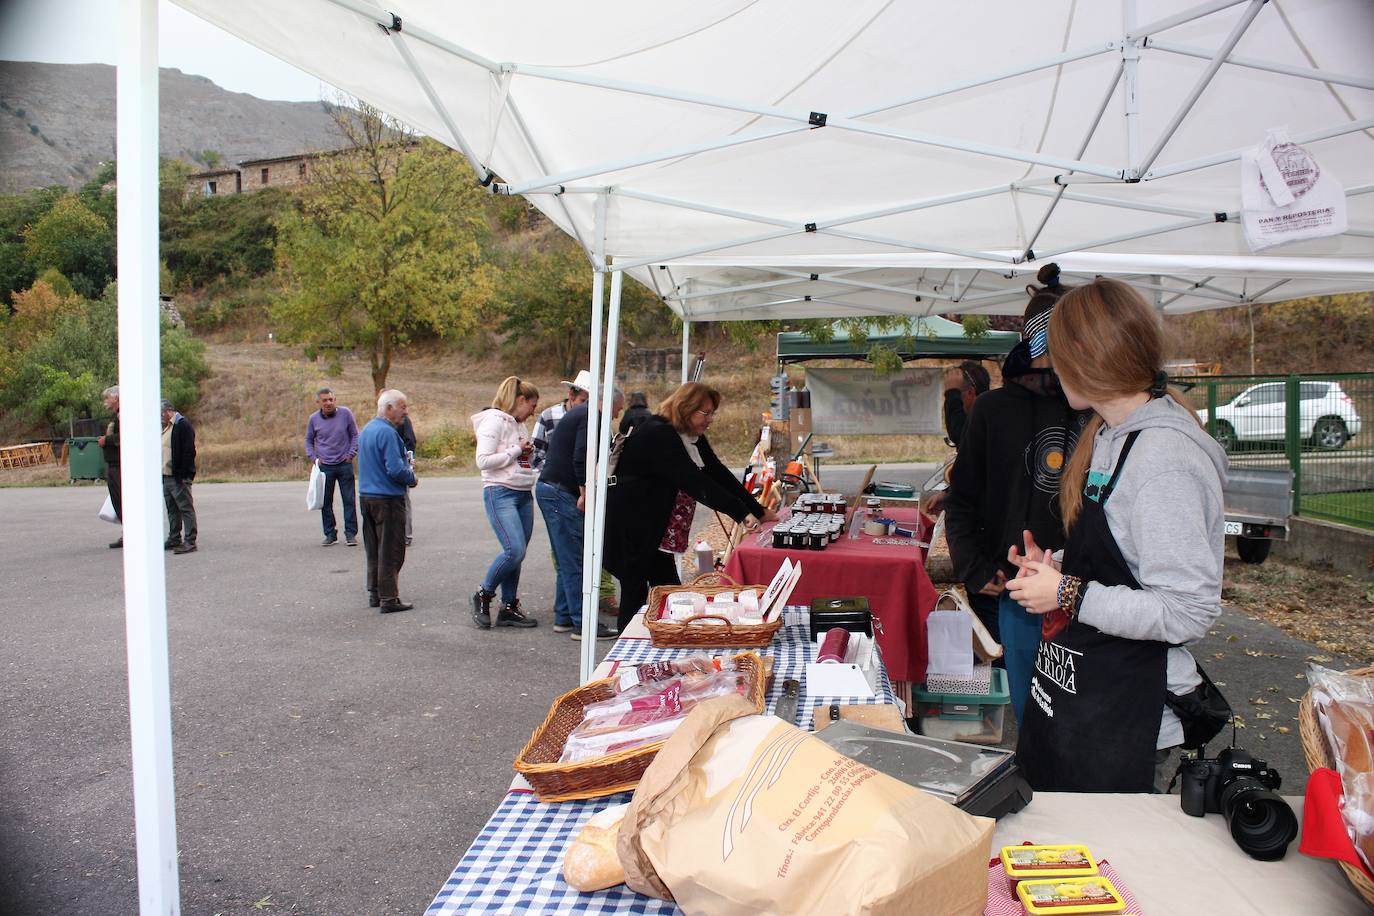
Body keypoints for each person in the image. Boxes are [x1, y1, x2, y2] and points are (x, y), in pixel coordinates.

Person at [1005, 278, 1226, 793]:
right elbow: (1123, 556)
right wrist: (1057, 564)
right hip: (1082, 695)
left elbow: (1188, 611)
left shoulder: (1165, 461)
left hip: (1132, 724)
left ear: (1084, 354)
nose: (1053, 371)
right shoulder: (1107, 435)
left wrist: (1066, 593)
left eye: (1057, 357)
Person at [944, 263, 1088, 720]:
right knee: (1035, 724)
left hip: (1092, 599)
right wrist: (975, 566)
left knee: (1087, 728)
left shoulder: (1094, 409)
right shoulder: (992, 410)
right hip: (1021, 596)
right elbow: (962, 499)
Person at [604, 382, 773, 633]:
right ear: (685, 409)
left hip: (651, 525)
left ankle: (672, 638)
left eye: (712, 413)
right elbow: (695, 482)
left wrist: (756, 509)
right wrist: (740, 513)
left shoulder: (687, 435)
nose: (710, 419)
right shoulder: (658, 433)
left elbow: (717, 473)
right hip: (630, 525)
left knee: (669, 588)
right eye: (705, 413)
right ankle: (629, 648)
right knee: (636, 588)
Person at [538, 389, 624, 641]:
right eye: (618, 408)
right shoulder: (592, 417)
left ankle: (564, 616)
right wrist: (585, 492)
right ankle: (583, 622)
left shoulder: (580, 412)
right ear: (608, 403)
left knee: (567, 557)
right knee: (576, 558)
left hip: (551, 488)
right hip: (560, 491)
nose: (617, 414)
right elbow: (582, 457)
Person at [471, 376, 541, 630]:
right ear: (520, 400)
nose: (533, 412)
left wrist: (526, 452)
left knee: (517, 554)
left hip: (523, 492)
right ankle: (483, 594)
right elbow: (484, 460)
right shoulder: (493, 421)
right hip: (500, 492)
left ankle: (509, 606)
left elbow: (517, 458)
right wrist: (515, 450)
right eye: (531, 406)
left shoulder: (518, 424)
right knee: (514, 550)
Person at [358, 389, 418, 613]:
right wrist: (411, 477)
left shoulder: (366, 430)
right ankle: (389, 598)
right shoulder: (388, 433)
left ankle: (374, 591)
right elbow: (395, 469)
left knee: (373, 547)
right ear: (389, 408)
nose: (406, 412)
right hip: (388, 498)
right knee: (391, 549)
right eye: (403, 407)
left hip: (367, 496)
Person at [305, 387, 359, 547]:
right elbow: (308, 440)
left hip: (344, 464)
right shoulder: (313, 419)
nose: (328, 403)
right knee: (325, 502)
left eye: (331, 399)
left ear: (335, 400)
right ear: (318, 402)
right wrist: (314, 458)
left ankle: (350, 534)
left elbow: (355, 434)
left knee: (349, 500)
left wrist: (351, 454)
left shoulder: (346, 414)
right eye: (324, 400)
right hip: (324, 467)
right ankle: (330, 534)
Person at [531, 369, 591, 469]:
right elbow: (535, 454)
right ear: (571, 395)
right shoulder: (549, 416)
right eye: (583, 401)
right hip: (552, 479)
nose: (586, 406)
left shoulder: (595, 421)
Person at [160, 399, 198, 554]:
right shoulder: (167, 427)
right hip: (166, 475)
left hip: (178, 477)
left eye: (161, 413)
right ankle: (174, 537)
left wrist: (183, 474)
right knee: (172, 509)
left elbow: (189, 451)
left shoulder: (182, 425)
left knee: (185, 508)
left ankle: (190, 541)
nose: (160, 416)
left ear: (169, 410)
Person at [942, 361, 991, 448]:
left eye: (958, 394)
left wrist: (952, 393)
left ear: (970, 392)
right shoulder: (990, 414)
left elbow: (958, 433)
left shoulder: (982, 422)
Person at [97, 385, 122, 548]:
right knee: (117, 500)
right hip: (114, 464)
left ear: (116, 398)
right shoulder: (117, 416)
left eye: (108, 398)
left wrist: (107, 440)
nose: (105, 401)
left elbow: (126, 435)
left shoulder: (123, 414)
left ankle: (132, 533)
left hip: (119, 464)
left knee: (122, 499)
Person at [398, 413, 417, 546]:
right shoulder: (380, 423)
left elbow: (410, 442)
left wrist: (409, 462)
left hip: (403, 463)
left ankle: (406, 535)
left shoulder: (403, 420)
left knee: (404, 500)